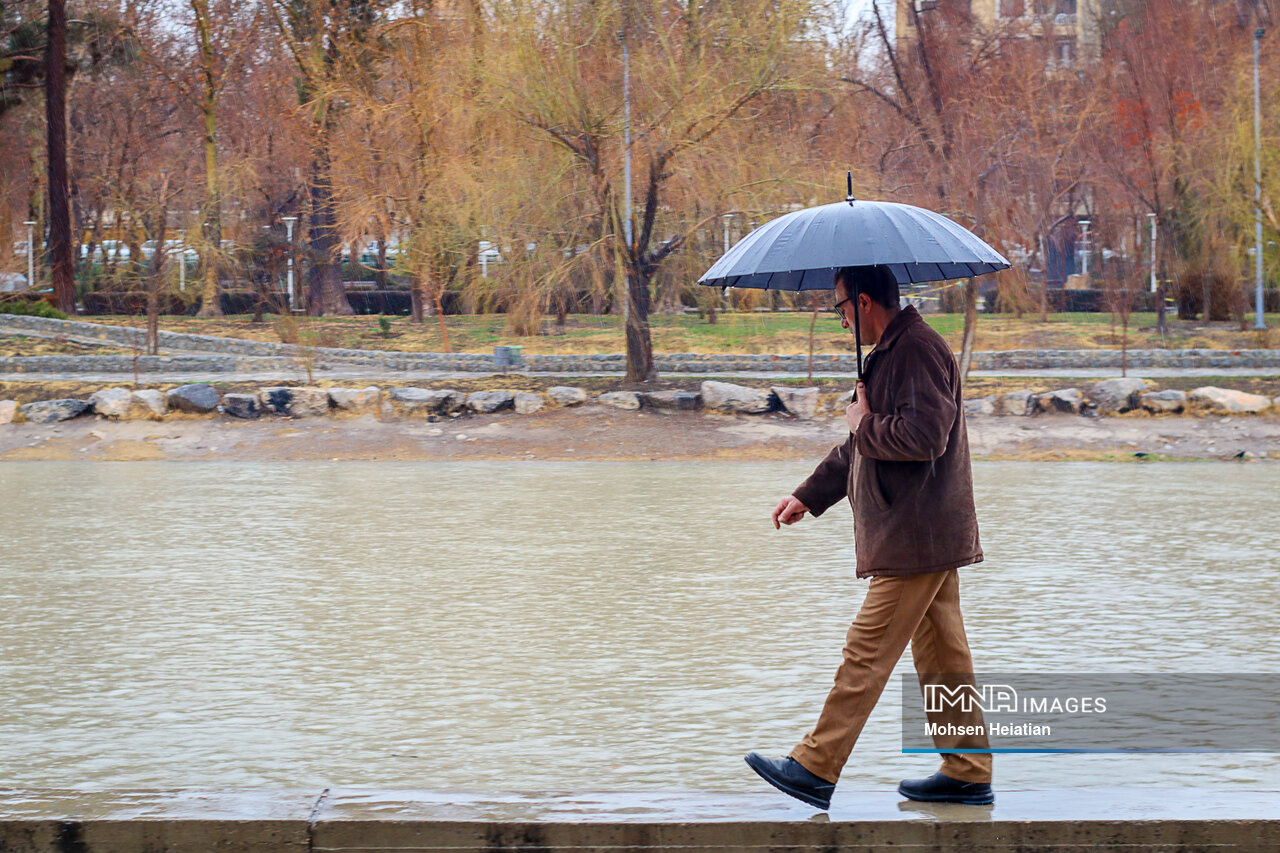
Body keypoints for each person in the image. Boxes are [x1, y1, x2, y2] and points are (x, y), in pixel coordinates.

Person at [744, 265, 993, 810]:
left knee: (866, 651)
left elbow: (924, 437)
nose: (838, 320)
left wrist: (862, 422)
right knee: (942, 653)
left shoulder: (916, 350)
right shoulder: (891, 352)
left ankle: (814, 765)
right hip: (920, 529)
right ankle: (968, 771)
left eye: (838, 309)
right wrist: (809, 495)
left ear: (861, 301)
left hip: (915, 533)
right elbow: (861, 446)